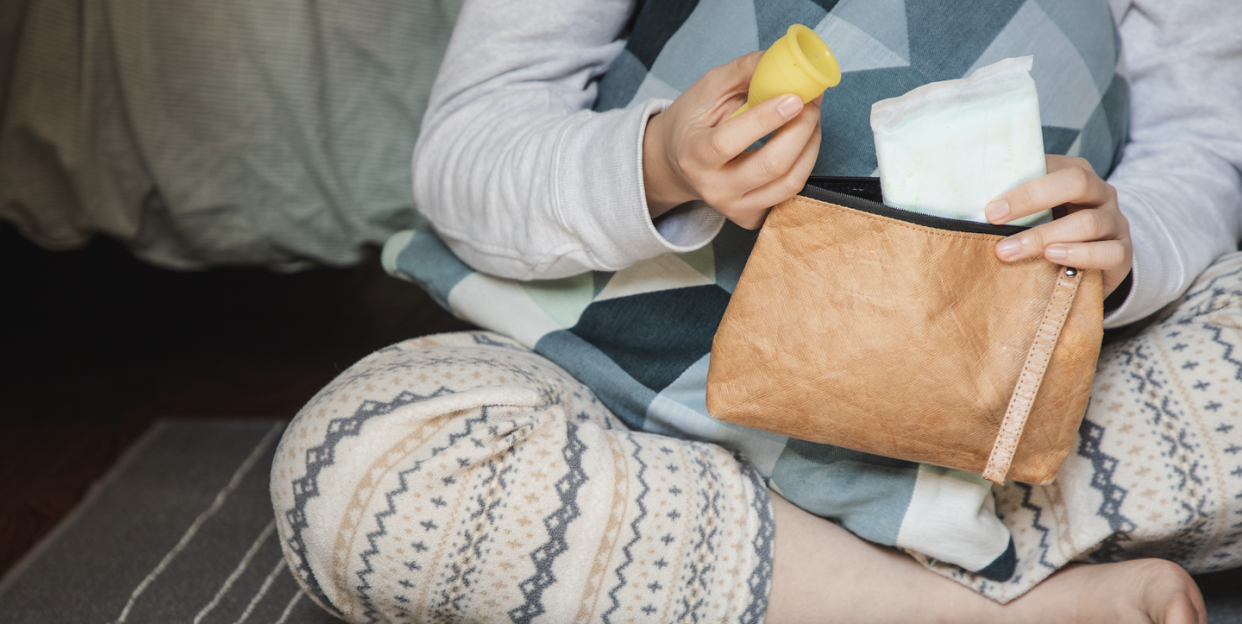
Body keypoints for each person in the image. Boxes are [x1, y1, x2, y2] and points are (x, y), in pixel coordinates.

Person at [270, 0, 1242, 621]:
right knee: (364, 464)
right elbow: (465, 157)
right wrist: (658, 162)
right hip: (642, 412)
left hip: (1007, 431)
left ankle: (776, 585)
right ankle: (967, 609)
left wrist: (1127, 242)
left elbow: (1207, 143)